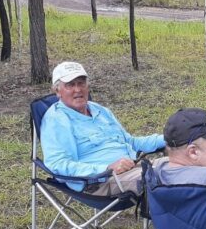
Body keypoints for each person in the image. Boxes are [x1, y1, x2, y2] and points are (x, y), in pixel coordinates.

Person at [40, 61, 165, 195]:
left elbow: (131, 142)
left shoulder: (100, 110)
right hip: (100, 181)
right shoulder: (56, 120)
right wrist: (107, 168)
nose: (78, 89)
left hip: (134, 166)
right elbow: (58, 164)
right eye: (70, 85)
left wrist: (171, 137)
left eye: (81, 83)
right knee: (171, 178)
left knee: (186, 162)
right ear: (57, 91)